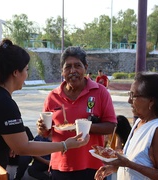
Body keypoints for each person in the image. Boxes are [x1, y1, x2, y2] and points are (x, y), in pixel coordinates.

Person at [0, 39, 90, 169]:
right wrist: (65, 145)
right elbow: (23, 148)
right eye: (26, 69)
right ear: (16, 72)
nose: (26, 75)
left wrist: (11, 143)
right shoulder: (3, 102)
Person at [36, 46, 117, 180]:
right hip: (60, 166)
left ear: (85, 67)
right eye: (68, 67)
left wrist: (84, 127)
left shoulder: (100, 92)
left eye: (77, 66)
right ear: (62, 71)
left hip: (92, 166)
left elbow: (111, 126)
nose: (73, 71)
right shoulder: (53, 96)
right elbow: (46, 133)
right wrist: (42, 129)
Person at [95, 72, 158, 180]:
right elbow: (137, 161)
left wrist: (128, 164)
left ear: (151, 101)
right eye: (129, 95)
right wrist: (115, 167)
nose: (129, 100)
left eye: (133, 96)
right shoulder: (139, 122)